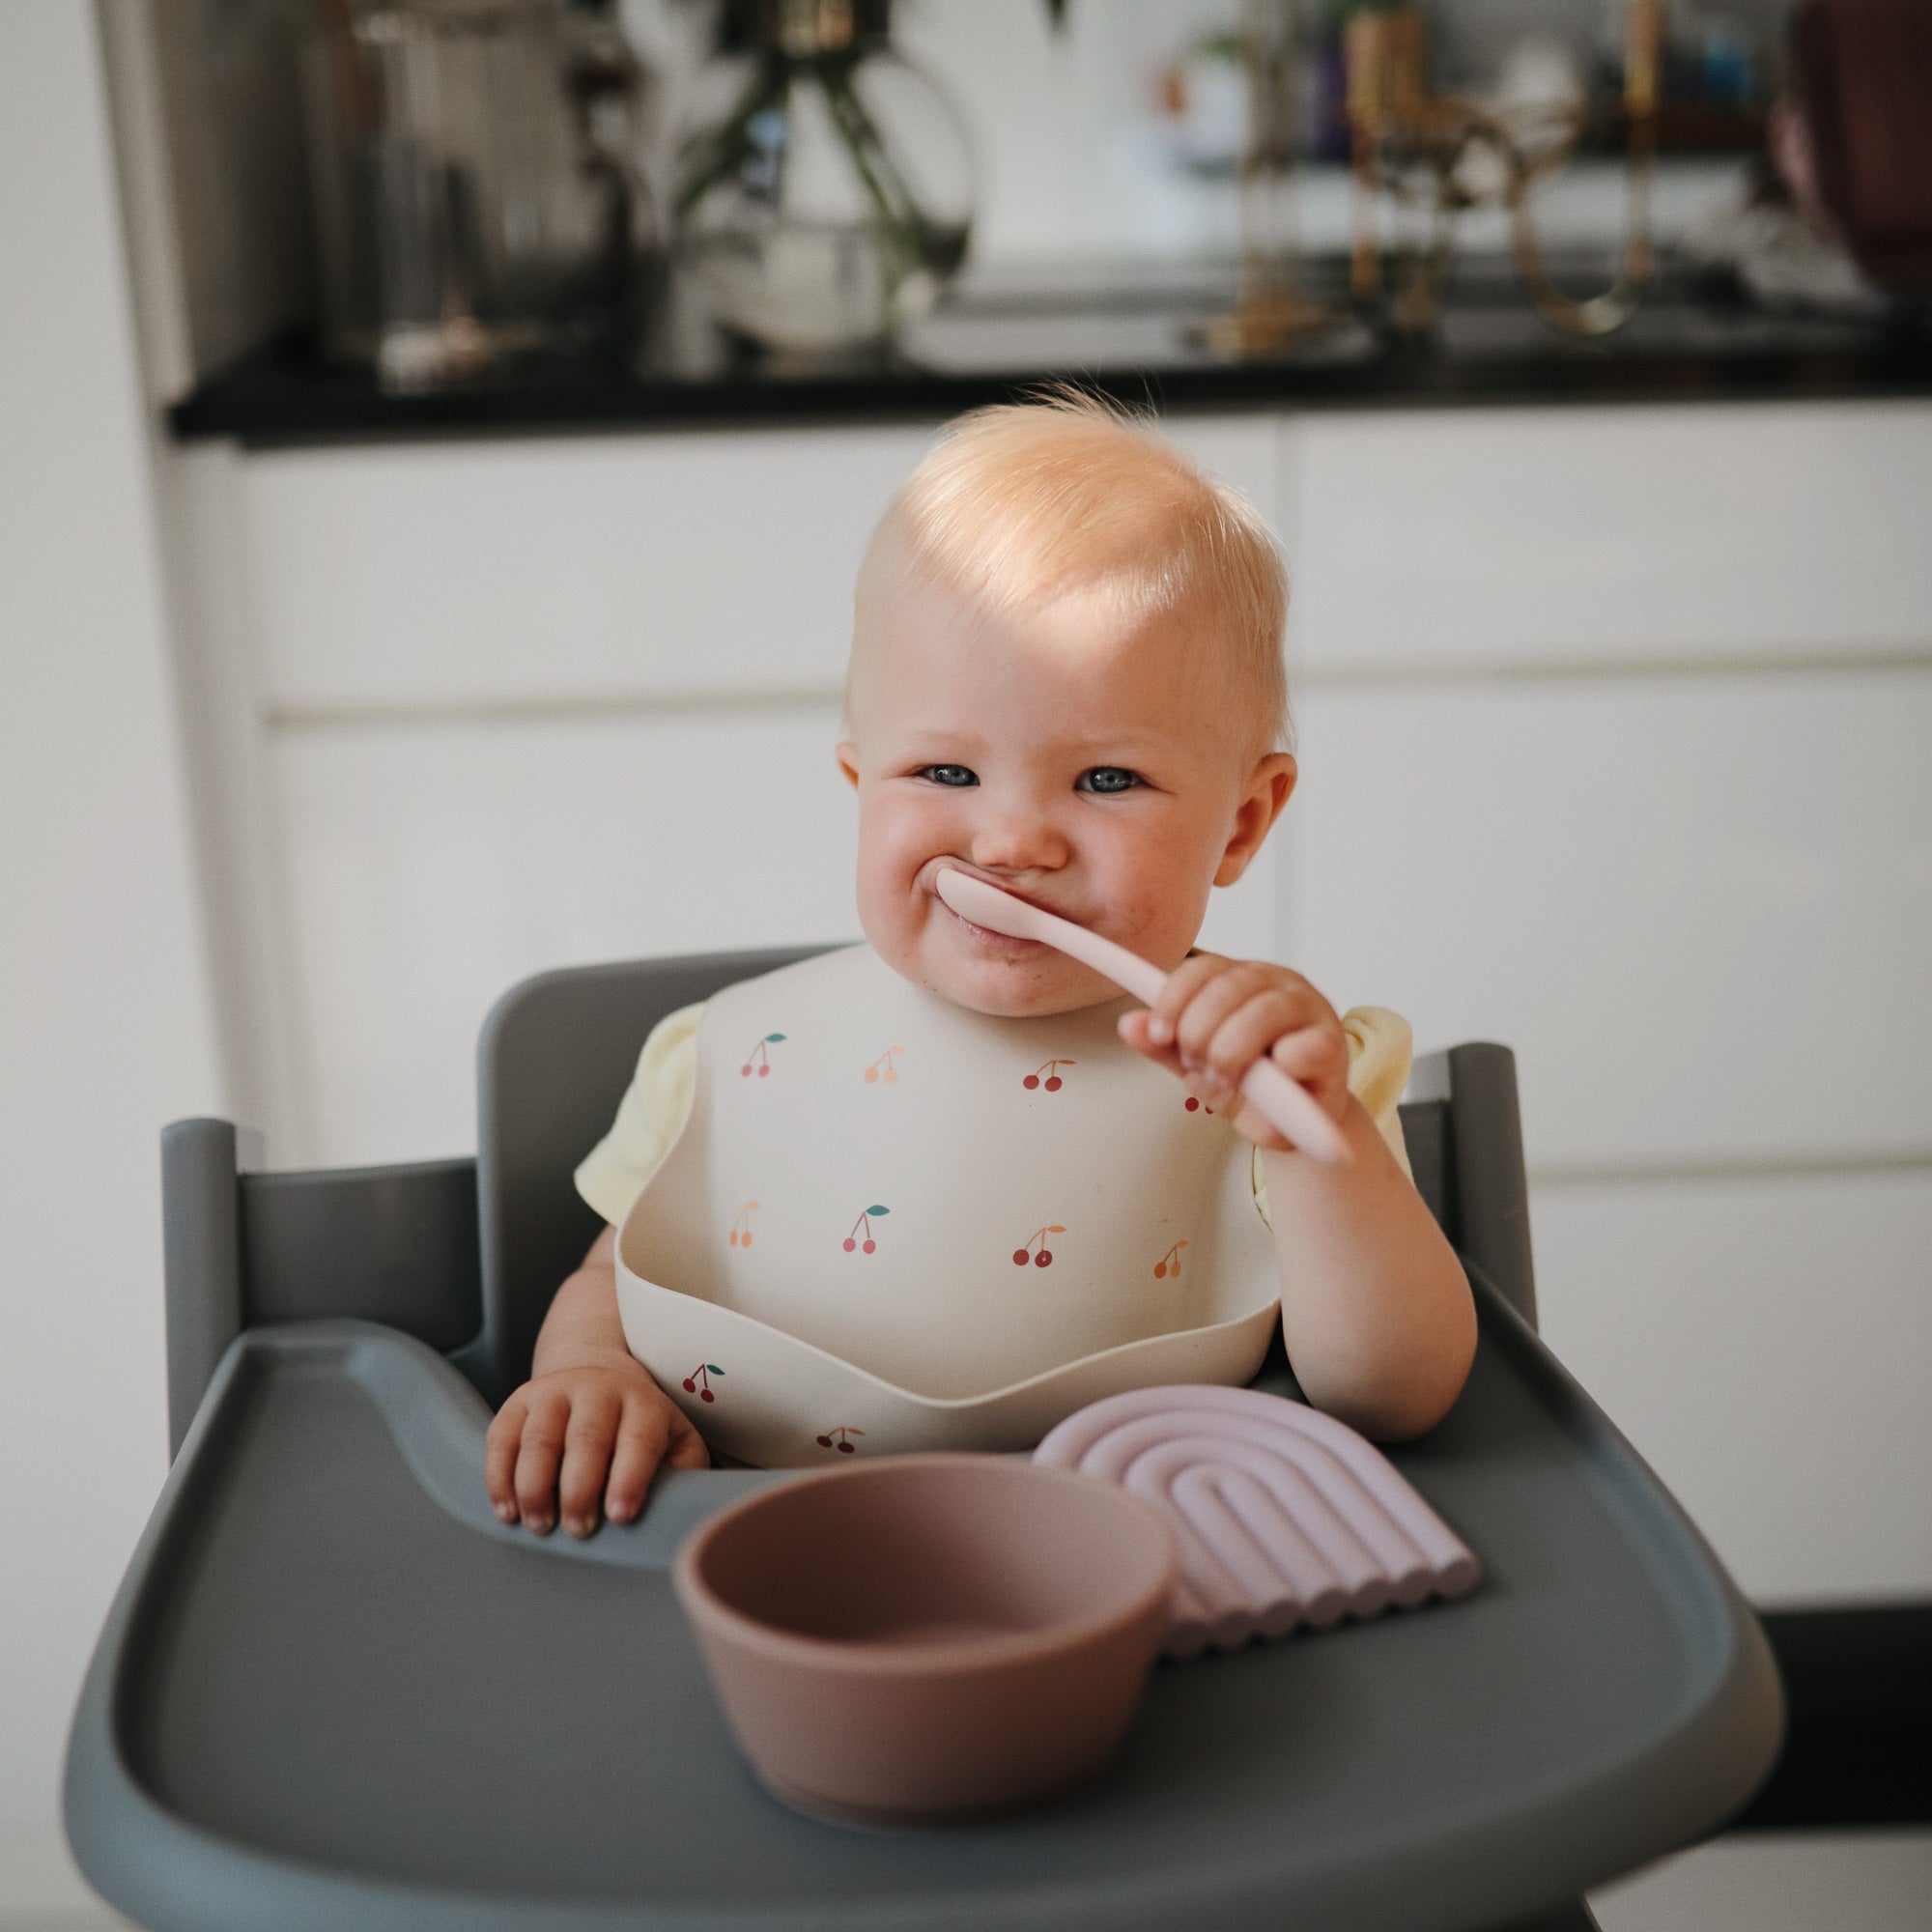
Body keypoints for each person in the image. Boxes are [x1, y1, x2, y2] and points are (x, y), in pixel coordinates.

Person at [485, 392, 1475, 1537]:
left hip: (1140, 1564)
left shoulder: (1278, 1074)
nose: (1010, 843)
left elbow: (1394, 1394)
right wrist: (589, 1375)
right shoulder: (718, 1052)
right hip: (745, 1550)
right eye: (945, 775)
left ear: (1242, 823)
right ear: (863, 787)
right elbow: (618, 1273)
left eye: (1105, 779)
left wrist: (1317, 1142)